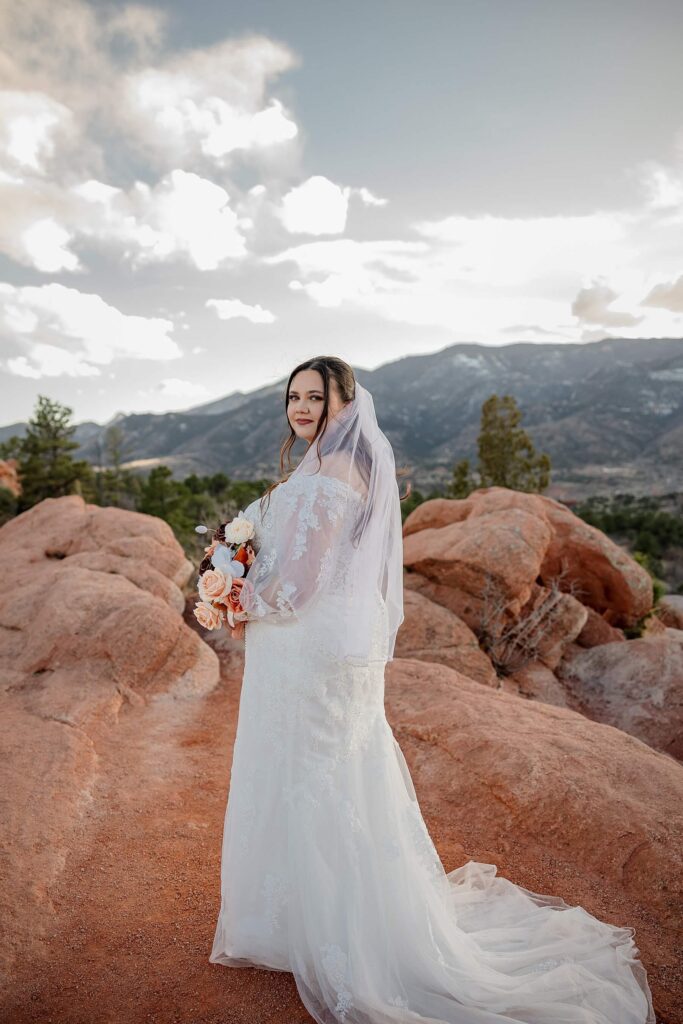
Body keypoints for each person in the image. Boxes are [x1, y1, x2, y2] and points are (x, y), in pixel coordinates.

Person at [209, 356, 655, 1024]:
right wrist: (241, 576)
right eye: (293, 397)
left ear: (345, 404)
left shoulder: (332, 474)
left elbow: (297, 586)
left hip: (308, 644)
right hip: (319, 641)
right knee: (329, 772)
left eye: (315, 397)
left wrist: (236, 597)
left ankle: (341, 934)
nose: (301, 409)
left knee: (308, 773)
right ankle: (309, 918)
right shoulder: (332, 468)